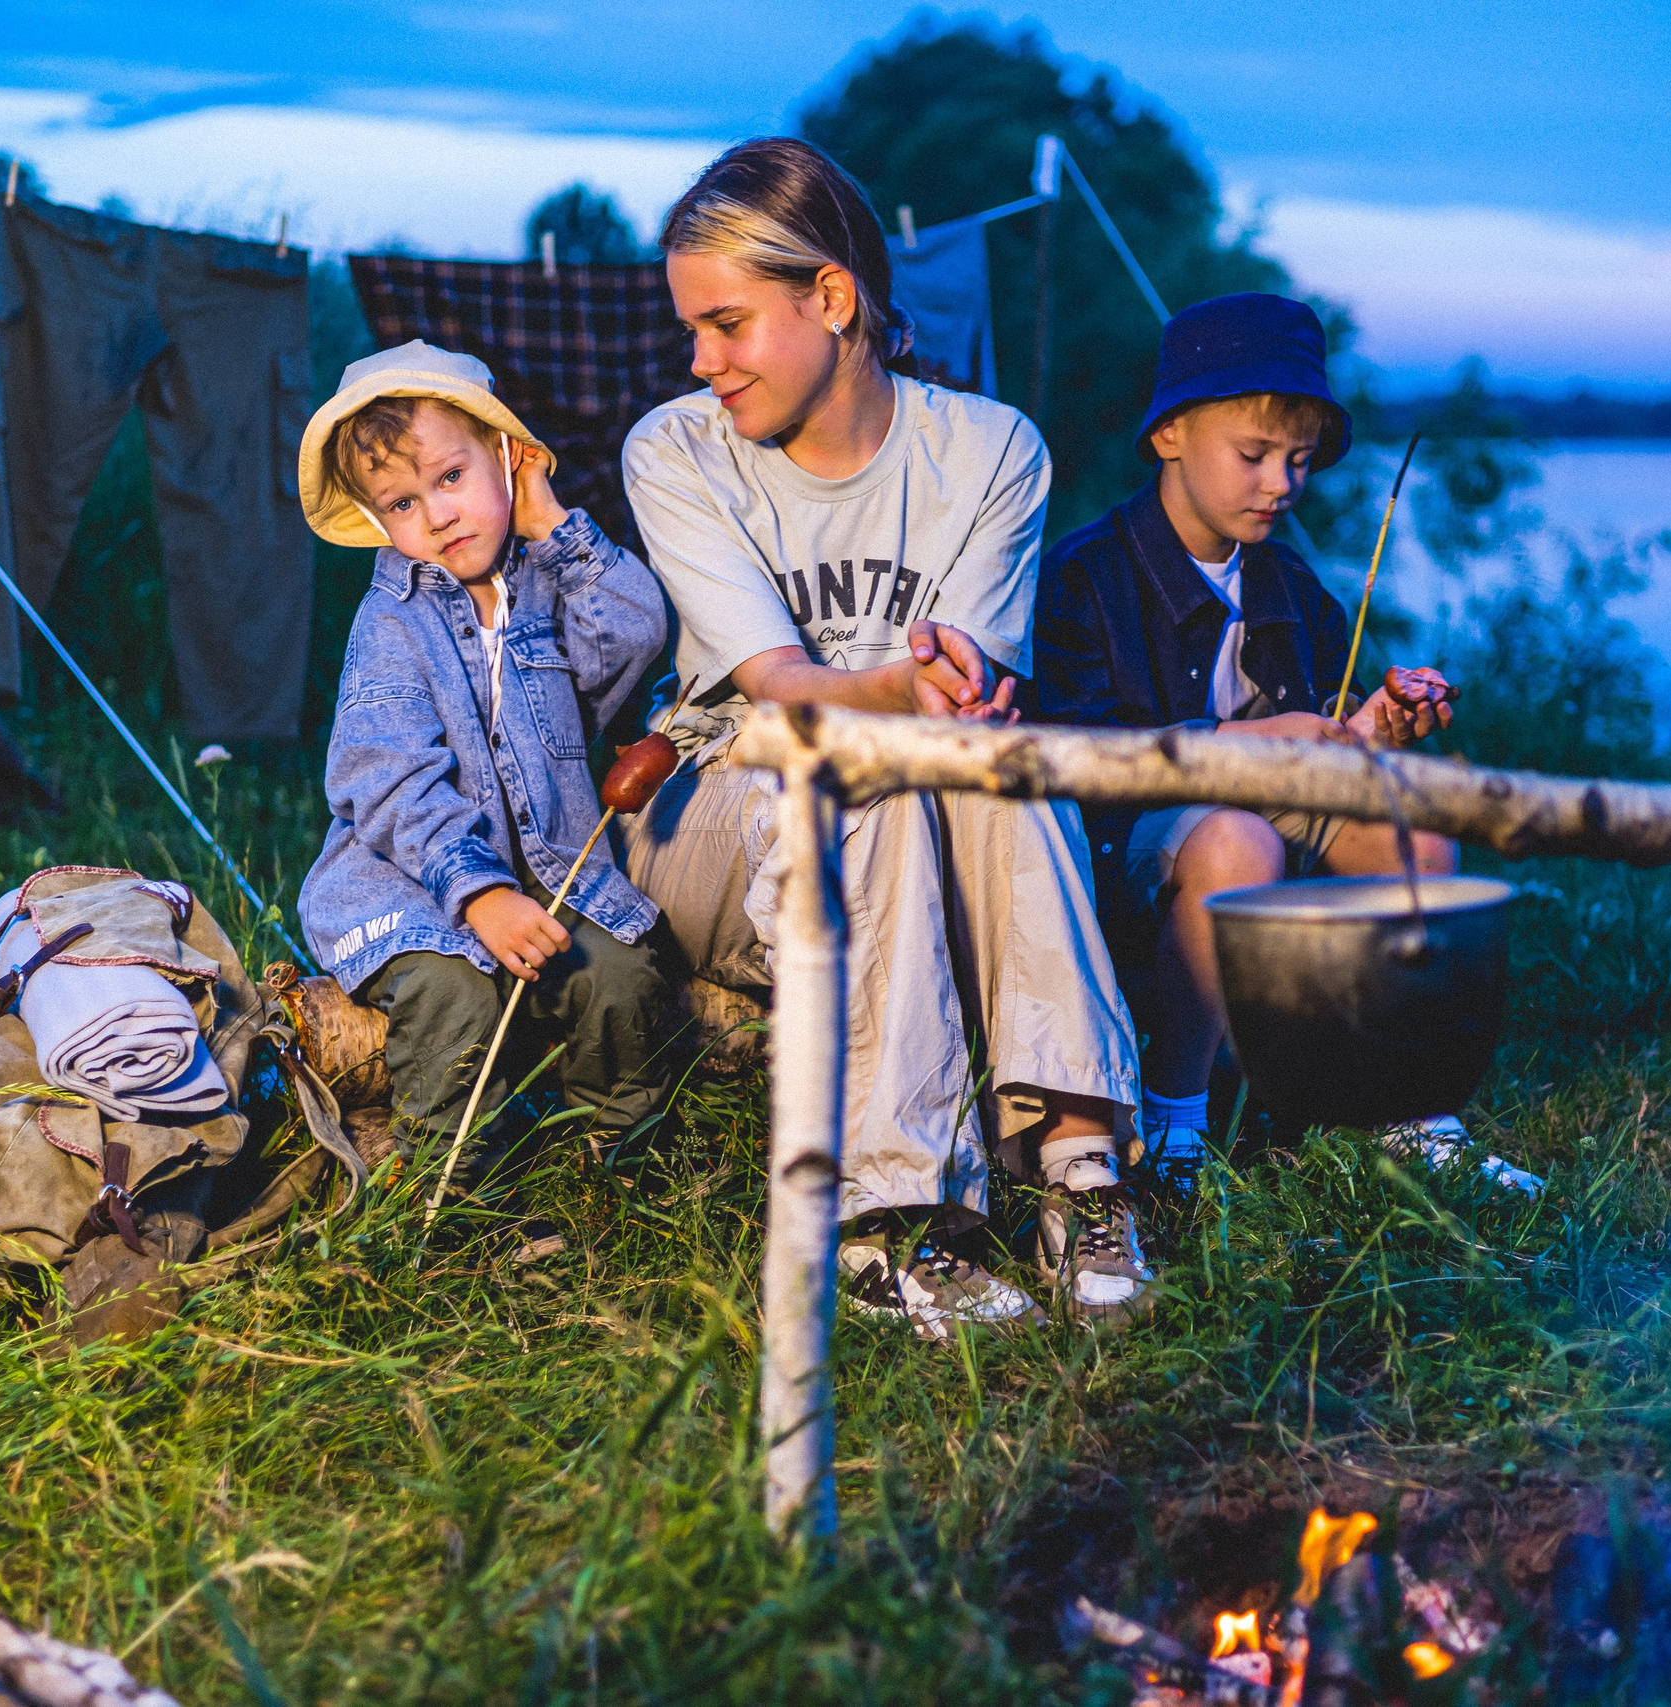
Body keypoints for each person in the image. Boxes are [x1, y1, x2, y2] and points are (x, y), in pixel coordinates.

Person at [619, 137, 1152, 1334]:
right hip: (711, 799)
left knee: (991, 765)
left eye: (726, 326)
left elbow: (962, 689)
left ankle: (1082, 1170)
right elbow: (782, 687)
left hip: (920, 791)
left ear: (833, 298)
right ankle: (889, 1221)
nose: (700, 363)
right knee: (878, 774)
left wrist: (938, 702)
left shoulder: (991, 449)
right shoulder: (675, 452)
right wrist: (916, 697)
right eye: (692, 332)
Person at [1030, 293, 1540, 1195]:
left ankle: (1408, 1106)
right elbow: (1080, 751)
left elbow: (1318, 736)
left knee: (1414, 827)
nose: (1281, 485)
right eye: (1255, 455)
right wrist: (1242, 740)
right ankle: (1174, 1119)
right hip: (1128, 840)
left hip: (1264, 820)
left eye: (1299, 462)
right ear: (1170, 436)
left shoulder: (1288, 582)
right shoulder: (1086, 575)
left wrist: (1371, 727)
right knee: (1237, 835)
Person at [296, 342, 678, 1200]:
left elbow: (635, 635)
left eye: (452, 476)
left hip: (543, 869)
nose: (435, 515)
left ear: (508, 459)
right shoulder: (389, 624)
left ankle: (616, 1170)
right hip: (415, 887)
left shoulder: (546, 587)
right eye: (400, 501)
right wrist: (477, 893)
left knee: (621, 978)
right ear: (375, 517)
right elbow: (389, 781)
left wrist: (551, 523)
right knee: (452, 991)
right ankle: (458, 1188)